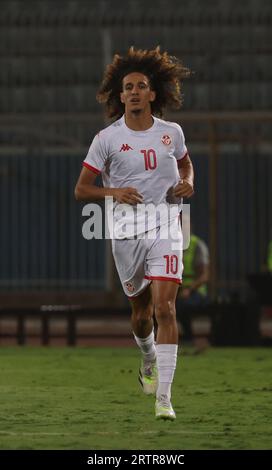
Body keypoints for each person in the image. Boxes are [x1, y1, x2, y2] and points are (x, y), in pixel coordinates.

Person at [74, 47, 194, 420]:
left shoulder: (171, 133)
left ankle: (165, 399)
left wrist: (188, 181)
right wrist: (114, 192)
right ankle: (146, 357)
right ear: (121, 95)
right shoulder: (107, 139)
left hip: (166, 224)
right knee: (142, 313)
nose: (136, 91)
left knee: (165, 308)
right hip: (126, 231)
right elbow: (81, 190)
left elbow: (186, 163)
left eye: (142, 85)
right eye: (129, 87)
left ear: (153, 93)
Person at [177, 227, 210, 343]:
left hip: (196, 291)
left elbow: (204, 276)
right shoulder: (172, 244)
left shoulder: (197, 245)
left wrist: (189, 290)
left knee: (182, 305)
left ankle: (188, 337)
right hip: (177, 289)